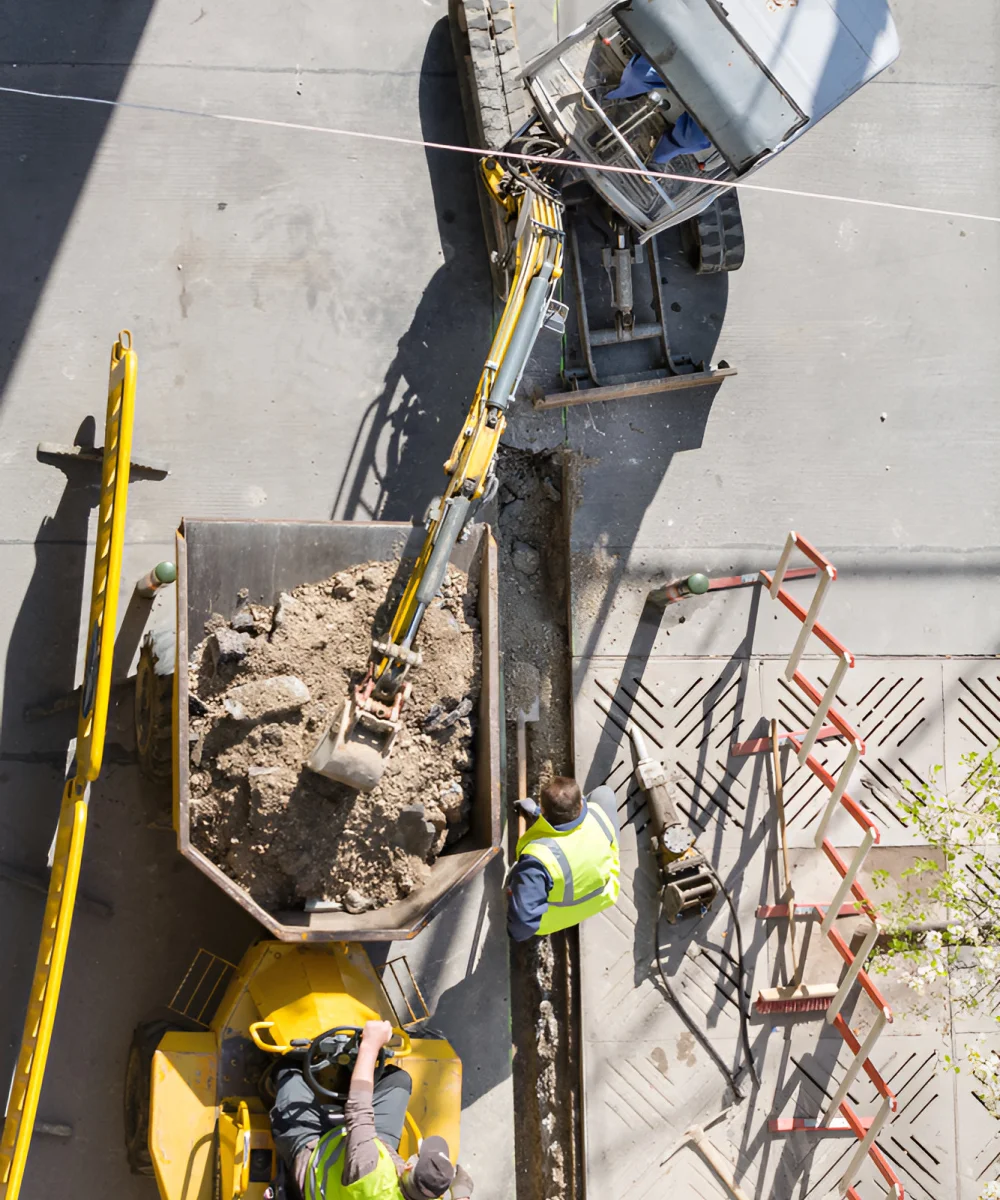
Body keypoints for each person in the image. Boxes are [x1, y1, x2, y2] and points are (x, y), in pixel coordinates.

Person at [269, 1019, 473, 1200]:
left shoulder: (372, 1169)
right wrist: (461, 1191)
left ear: (409, 1167)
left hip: (314, 1165)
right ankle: (347, 1077)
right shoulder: (389, 1172)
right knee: (397, 1081)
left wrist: (371, 1044)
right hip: (373, 1149)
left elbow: (358, 1110)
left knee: (289, 1075)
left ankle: (277, 1073)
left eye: (418, 1156)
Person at [506, 776, 621, 940]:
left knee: (516, 876)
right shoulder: (597, 814)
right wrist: (537, 814)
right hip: (604, 895)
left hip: (555, 918)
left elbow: (522, 927)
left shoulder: (539, 859)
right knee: (604, 794)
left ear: (543, 810)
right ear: (580, 804)